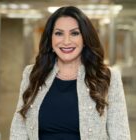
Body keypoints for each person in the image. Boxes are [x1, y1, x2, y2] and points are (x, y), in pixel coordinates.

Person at [10, 6, 131, 140]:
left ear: (85, 38)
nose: (66, 41)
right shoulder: (32, 74)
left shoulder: (108, 77)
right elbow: (19, 129)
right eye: (59, 33)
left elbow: (120, 134)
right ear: (50, 39)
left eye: (74, 33)